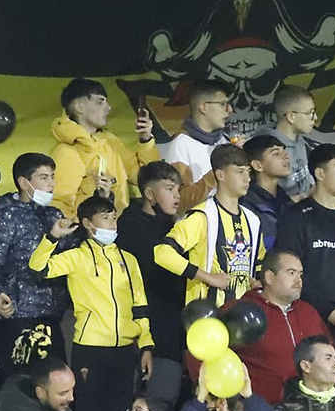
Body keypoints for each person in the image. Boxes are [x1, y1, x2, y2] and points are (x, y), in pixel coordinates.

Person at [35, 200, 153, 411]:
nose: (113, 223)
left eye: (114, 217)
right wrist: (53, 236)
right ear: (88, 224)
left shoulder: (128, 259)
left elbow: (140, 305)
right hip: (90, 348)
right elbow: (39, 268)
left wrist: (146, 346)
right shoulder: (77, 257)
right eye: (106, 218)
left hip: (124, 350)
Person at [0, 153, 70, 371]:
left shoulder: (55, 215)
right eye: (44, 177)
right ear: (24, 182)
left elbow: (75, 253)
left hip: (52, 315)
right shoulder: (5, 216)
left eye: (52, 176)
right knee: (22, 388)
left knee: (56, 388)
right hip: (17, 318)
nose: (52, 183)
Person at [274, 149, 335, 340]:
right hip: (308, 319)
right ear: (320, 174)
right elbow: (289, 272)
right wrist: (327, 311)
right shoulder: (297, 216)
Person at [152, 143, 260, 319]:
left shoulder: (253, 220)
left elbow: (258, 262)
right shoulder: (203, 216)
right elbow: (162, 253)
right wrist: (208, 277)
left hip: (243, 319)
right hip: (207, 320)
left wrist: (256, 281)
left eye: (248, 172)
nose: (247, 178)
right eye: (240, 172)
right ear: (220, 175)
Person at [116, 162, 188, 384]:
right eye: (169, 189)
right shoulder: (131, 228)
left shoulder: (175, 229)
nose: (176, 196)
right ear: (149, 193)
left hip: (176, 331)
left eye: (178, 189)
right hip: (150, 337)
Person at [49, 77, 160, 217]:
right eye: (100, 101)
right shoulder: (66, 152)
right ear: (79, 107)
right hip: (87, 235)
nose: (108, 107)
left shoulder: (110, 142)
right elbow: (59, 205)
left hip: (118, 230)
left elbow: (146, 178)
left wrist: (146, 138)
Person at [235, 252, 329, 405]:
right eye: (291, 273)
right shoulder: (242, 312)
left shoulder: (309, 313)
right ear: (270, 277)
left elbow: (332, 357)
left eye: (300, 274)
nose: (298, 280)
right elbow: (204, 354)